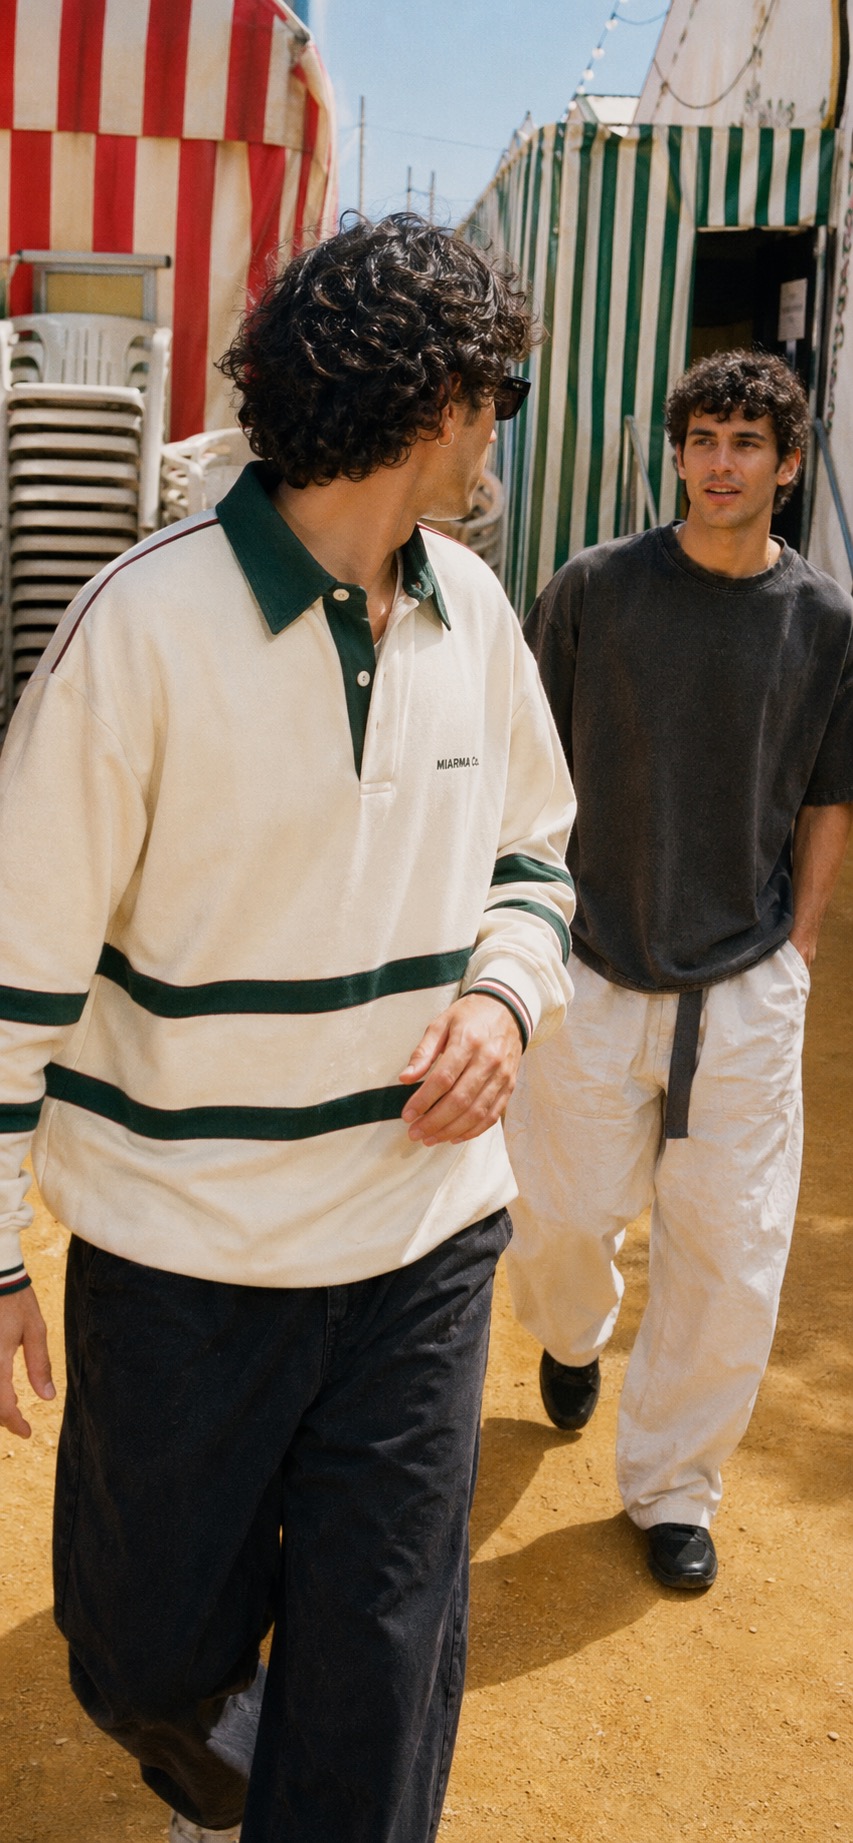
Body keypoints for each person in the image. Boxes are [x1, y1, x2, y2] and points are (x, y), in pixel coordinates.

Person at [0, 215, 576, 1843]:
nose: (498, 428)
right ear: (436, 401)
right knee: (139, 1650)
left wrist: (500, 994)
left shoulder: (477, 613)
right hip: (184, 1257)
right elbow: (12, 967)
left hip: (420, 1237)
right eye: (501, 394)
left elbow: (538, 848)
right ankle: (211, 1733)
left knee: (378, 1656)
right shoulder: (143, 627)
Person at [505, 348, 853, 1592]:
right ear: (678, 451)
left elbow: (827, 794)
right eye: (703, 438)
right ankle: (573, 1332)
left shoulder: (822, 621)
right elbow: (527, 759)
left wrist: (798, 946)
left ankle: (670, 1487)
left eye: (747, 444)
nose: (721, 463)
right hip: (591, 963)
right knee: (552, 1219)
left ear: (787, 463)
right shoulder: (595, 588)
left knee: (731, 1255)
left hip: (744, 985)